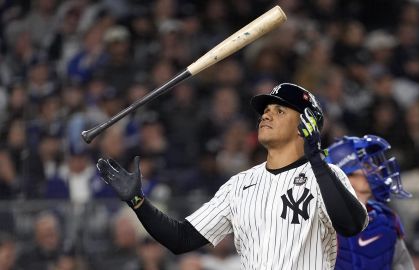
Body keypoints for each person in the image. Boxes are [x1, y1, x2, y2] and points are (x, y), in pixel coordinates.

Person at [96, 83, 368, 269]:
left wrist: (316, 159)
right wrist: (138, 202)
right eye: (266, 111)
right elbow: (182, 239)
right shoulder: (239, 185)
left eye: (280, 111)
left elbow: (351, 225)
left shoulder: (325, 175)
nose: (266, 116)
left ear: (305, 125)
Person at [325, 135, 415, 270]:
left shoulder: (387, 219)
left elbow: (403, 266)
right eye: (367, 165)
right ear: (344, 175)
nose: (377, 169)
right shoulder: (321, 221)